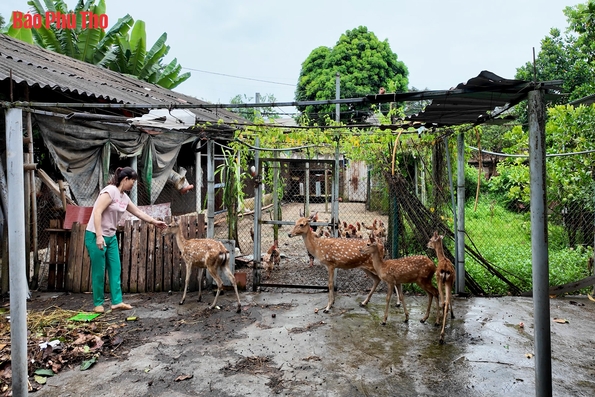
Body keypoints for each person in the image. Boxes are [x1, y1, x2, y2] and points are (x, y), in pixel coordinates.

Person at [85, 167, 167, 313]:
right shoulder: (110, 191)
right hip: (95, 235)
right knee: (99, 270)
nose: (133, 184)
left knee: (115, 269)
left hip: (111, 236)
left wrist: (155, 222)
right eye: (132, 181)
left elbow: (138, 212)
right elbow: (97, 212)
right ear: (125, 179)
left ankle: (117, 302)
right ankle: (98, 303)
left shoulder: (123, 197)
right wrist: (98, 236)